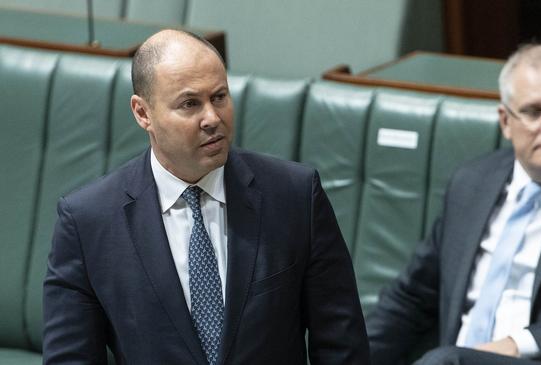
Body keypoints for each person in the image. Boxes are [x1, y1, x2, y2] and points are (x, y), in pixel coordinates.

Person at [43, 29, 369, 365]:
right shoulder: (88, 221)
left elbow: (342, 347)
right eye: (190, 104)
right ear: (143, 113)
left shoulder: (294, 196)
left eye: (219, 97)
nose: (212, 119)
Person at [367, 42, 541, 365]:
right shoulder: (472, 182)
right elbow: (411, 298)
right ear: (505, 120)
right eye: (533, 111)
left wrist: (520, 344)